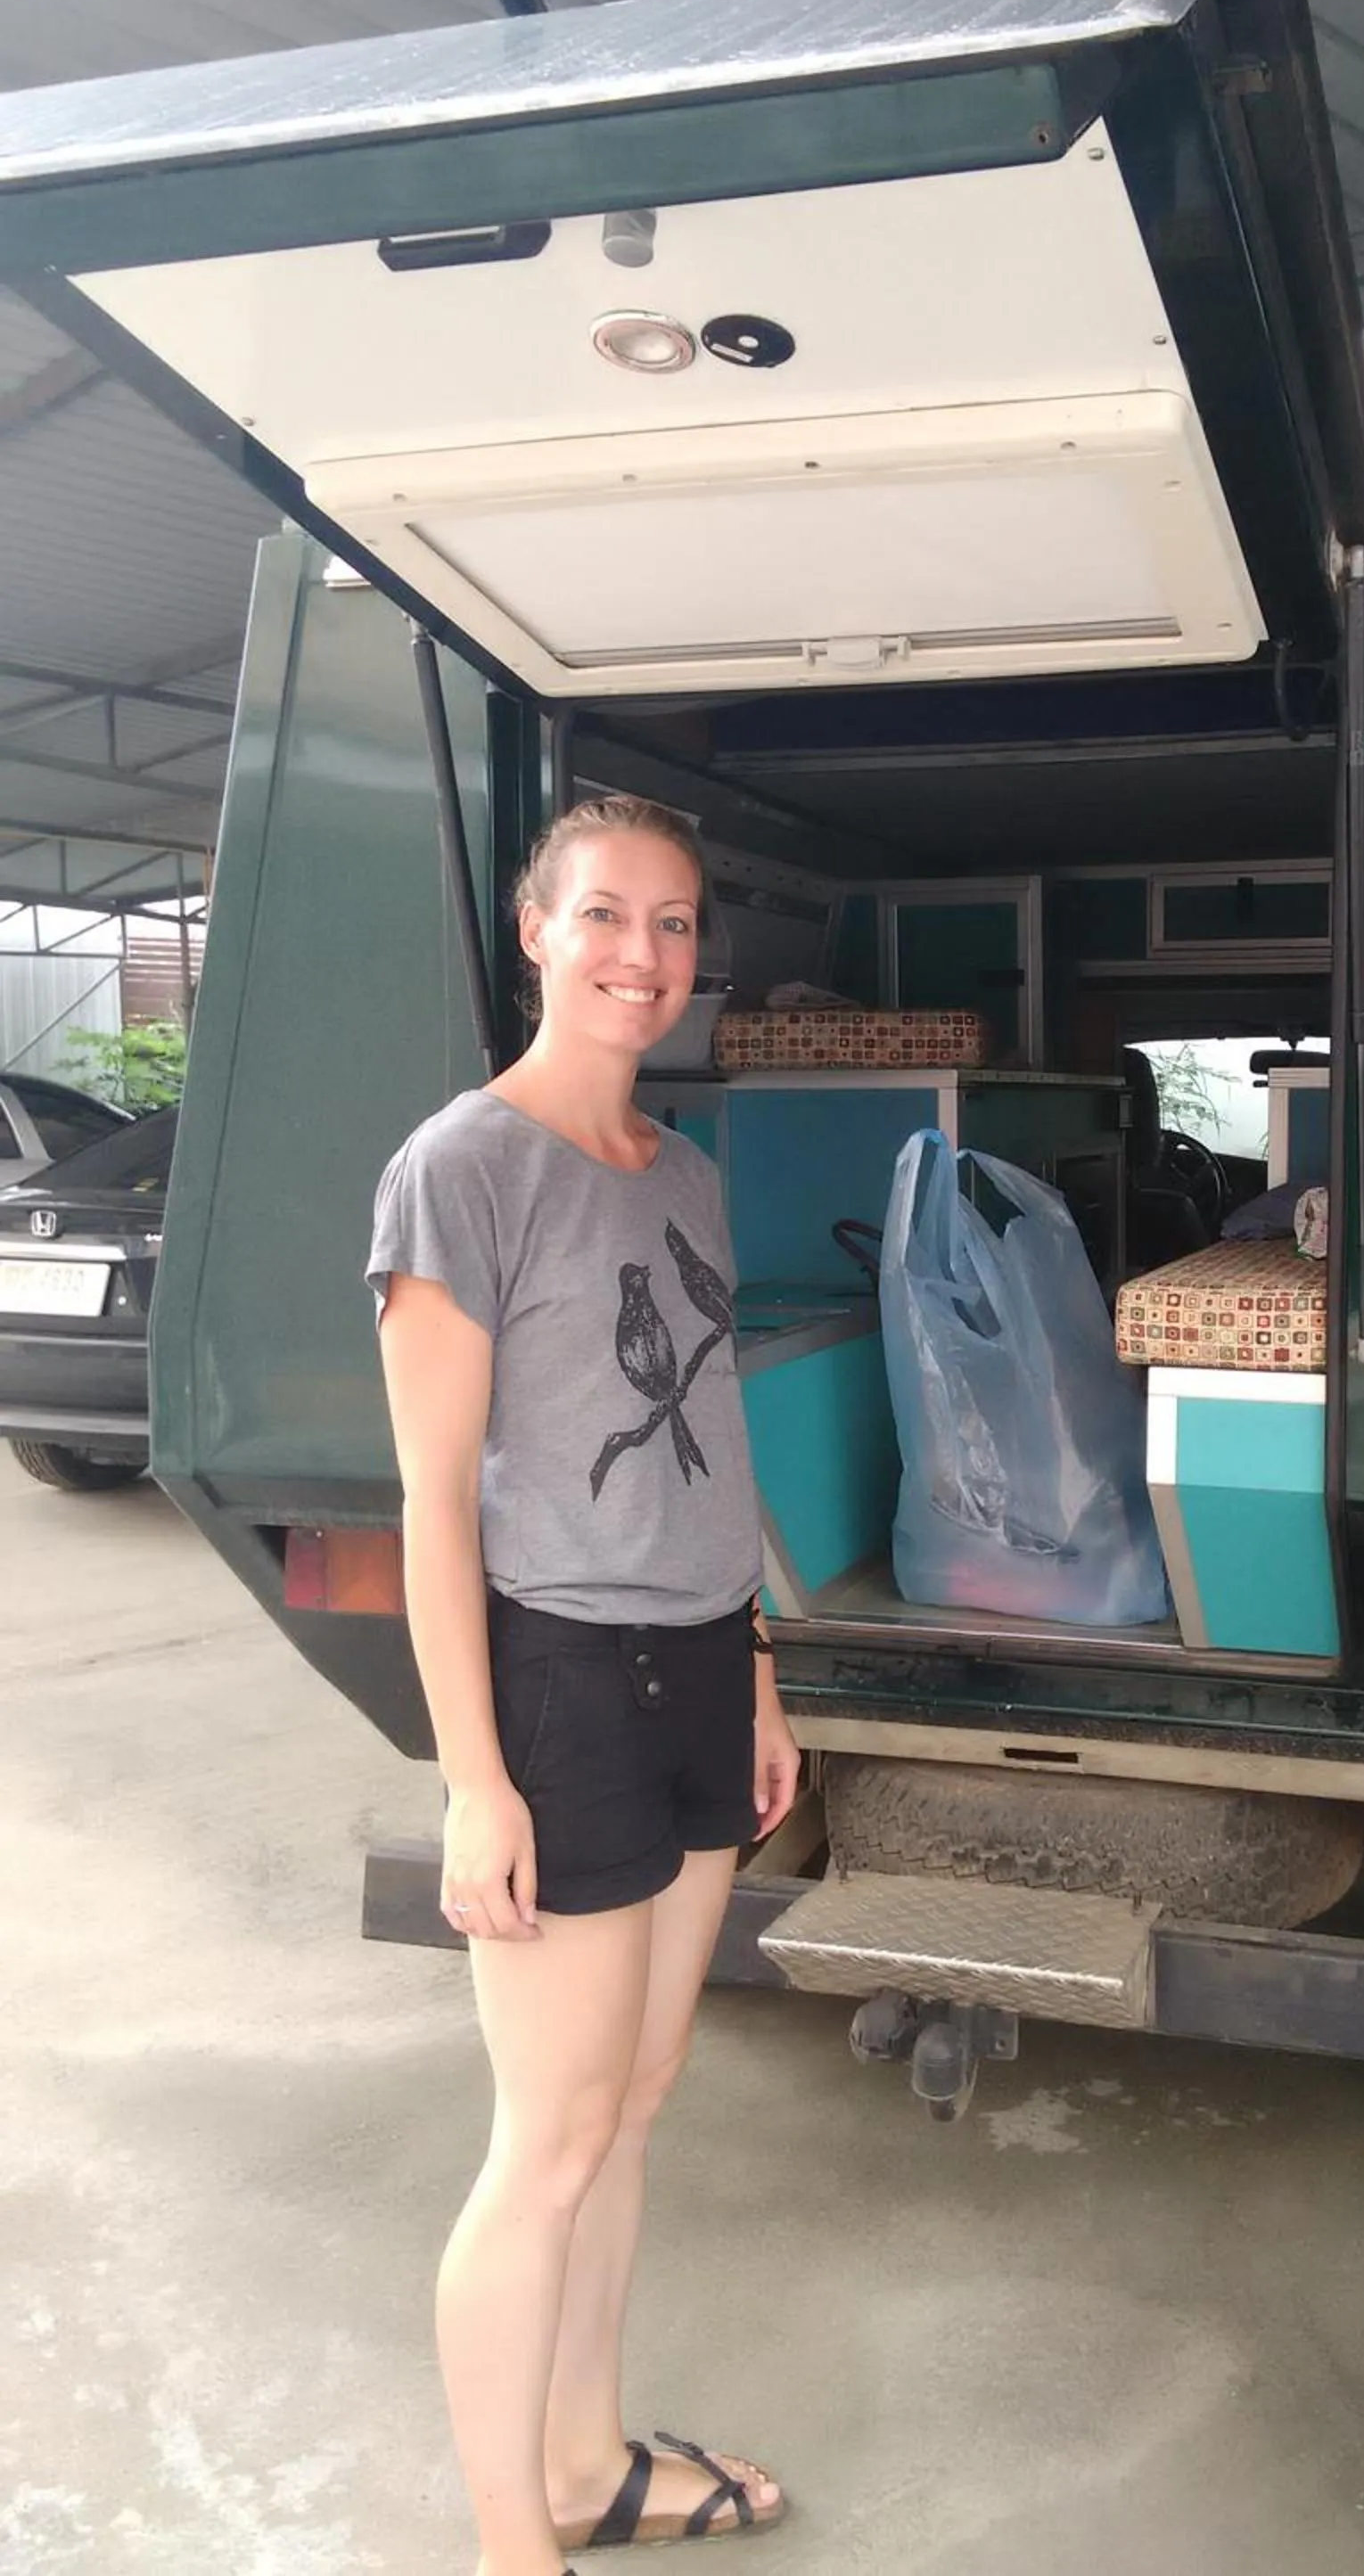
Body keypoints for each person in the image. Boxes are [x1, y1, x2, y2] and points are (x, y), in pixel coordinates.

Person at [368, 793, 796, 2574]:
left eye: (677, 924)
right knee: (547, 2140)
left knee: (634, 2102)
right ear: (537, 933)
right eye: (607, 914)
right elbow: (431, 1500)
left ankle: (587, 2461)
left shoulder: (683, 1170)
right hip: (560, 1674)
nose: (645, 953)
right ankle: (509, 2544)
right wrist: (473, 1775)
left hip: (702, 1669)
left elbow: (715, 1437)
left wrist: (760, 1667)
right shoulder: (458, 1172)